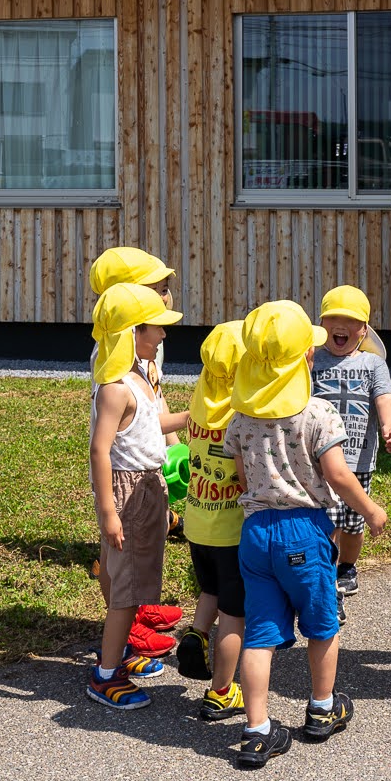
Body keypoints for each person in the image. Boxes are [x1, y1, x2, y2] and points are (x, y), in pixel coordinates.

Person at [225, 300, 388, 767]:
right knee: (322, 623)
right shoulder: (318, 414)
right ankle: (321, 708)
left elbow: (240, 476)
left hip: (255, 532)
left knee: (259, 633)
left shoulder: (240, 418)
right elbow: (337, 475)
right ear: (306, 359)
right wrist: (371, 510)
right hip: (305, 531)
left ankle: (257, 729)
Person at [87, 283, 189, 709]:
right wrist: (109, 512)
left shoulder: (145, 377)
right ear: (130, 332)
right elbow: (100, 449)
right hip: (128, 491)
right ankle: (105, 676)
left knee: (138, 583)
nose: (164, 335)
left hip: (150, 488)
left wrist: (196, 415)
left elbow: (155, 426)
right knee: (125, 592)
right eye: (156, 328)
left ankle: (120, 657)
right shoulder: (115, 388)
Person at [171, 322, 249, 721]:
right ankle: (222, 691)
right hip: (233, 528)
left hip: (198, 523)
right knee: (235, 614)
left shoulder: (204, 392)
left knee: (210, 588)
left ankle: (197, 633)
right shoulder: (242, 404)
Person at [309, 284, 391, 606]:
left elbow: (384, 397)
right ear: (322, 325)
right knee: (326, 520)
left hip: (358, 461)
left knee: (354, 522)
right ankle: (326, 573)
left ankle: (348, 566)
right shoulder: (313, 360)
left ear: (363, 330)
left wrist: (388, 424)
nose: (341, 325)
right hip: (320, 461)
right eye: (333, 318)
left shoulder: (374, 365)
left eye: (351, 320)